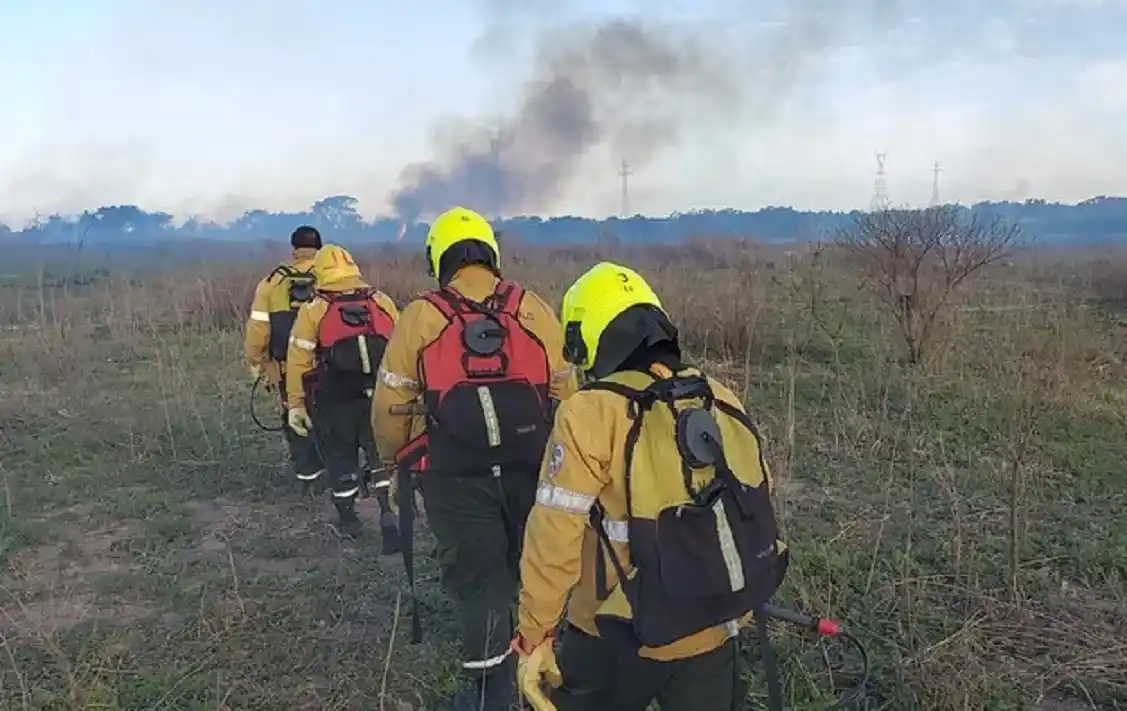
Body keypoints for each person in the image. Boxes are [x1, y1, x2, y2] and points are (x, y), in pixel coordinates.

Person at [511, 262, 789, 711]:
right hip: (711, 626)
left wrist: (535, 633)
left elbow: (553, 537)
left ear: (591, 338)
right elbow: (754, 501)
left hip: (613, 634)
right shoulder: (718, 395)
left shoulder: (589, 412)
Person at [372, 206, 577, 711]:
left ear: (440, 259)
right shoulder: (533, 309)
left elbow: (390, 406)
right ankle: (546, 664)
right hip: (532, 467)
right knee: (536, 568)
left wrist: (393, 463)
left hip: (454, 477)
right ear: (492, 253)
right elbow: (568, 396)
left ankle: (492, 696)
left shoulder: (421, 315)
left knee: (478, 581)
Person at [285, 243, 401, 548]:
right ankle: (388, 512)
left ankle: (349, 521)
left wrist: (296, 405)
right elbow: (403, 349)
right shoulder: (382, 301)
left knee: (340, 460)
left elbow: (299, 361)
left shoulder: (315, 309)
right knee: (382, 458)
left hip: (334, 402)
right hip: (379, 398)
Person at [243, 225, 325, 488]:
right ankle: (338, 473)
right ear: (320, 248)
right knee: (330, 415)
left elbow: (258, 328)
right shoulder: (332, 277)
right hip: (330, 366)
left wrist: (256, 362)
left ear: (294, 250)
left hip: (286, 368)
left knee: (295, 416)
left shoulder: (271, 282)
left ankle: (307, 477)